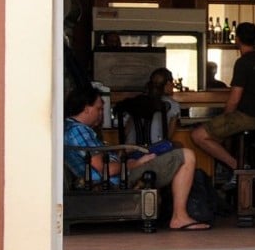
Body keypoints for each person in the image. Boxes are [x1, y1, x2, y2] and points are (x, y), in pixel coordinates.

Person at [64, 85, 208, 230]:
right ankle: (179, 217)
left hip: (120, 173)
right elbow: (105, 169)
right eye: (99, 109)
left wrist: (125, 156)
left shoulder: (73, 127)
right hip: (116, 179)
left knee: (169, 149)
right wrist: (136, 163)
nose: (101, 113)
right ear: (86, 108)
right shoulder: (79, 131)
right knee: (185, 155)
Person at [190, 22, 255, 181]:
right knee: (221, 135)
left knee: (198, 135)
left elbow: (235, 98)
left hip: (246, 117)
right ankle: (237, 169)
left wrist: (226, 115)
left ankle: (238, 167)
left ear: (237, 39)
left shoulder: (243, 62)